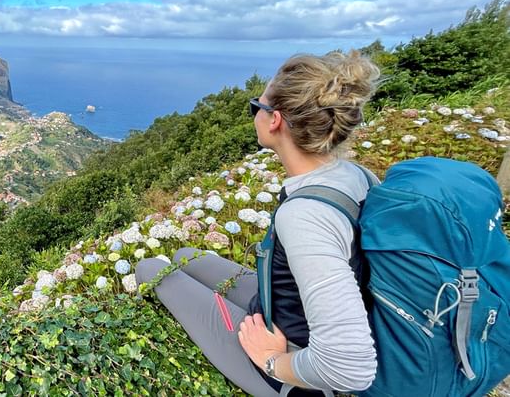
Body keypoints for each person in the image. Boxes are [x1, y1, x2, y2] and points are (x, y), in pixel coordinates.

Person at [136, 50, 381, 396]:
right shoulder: (358, 176)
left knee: (149, 268)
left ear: (275, 120)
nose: (254, 114)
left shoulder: (306, 215)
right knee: (186, 256)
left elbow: (351, 368)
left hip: (293, 362)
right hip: (288, 310)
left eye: (257, 106)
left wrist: (271, 359)